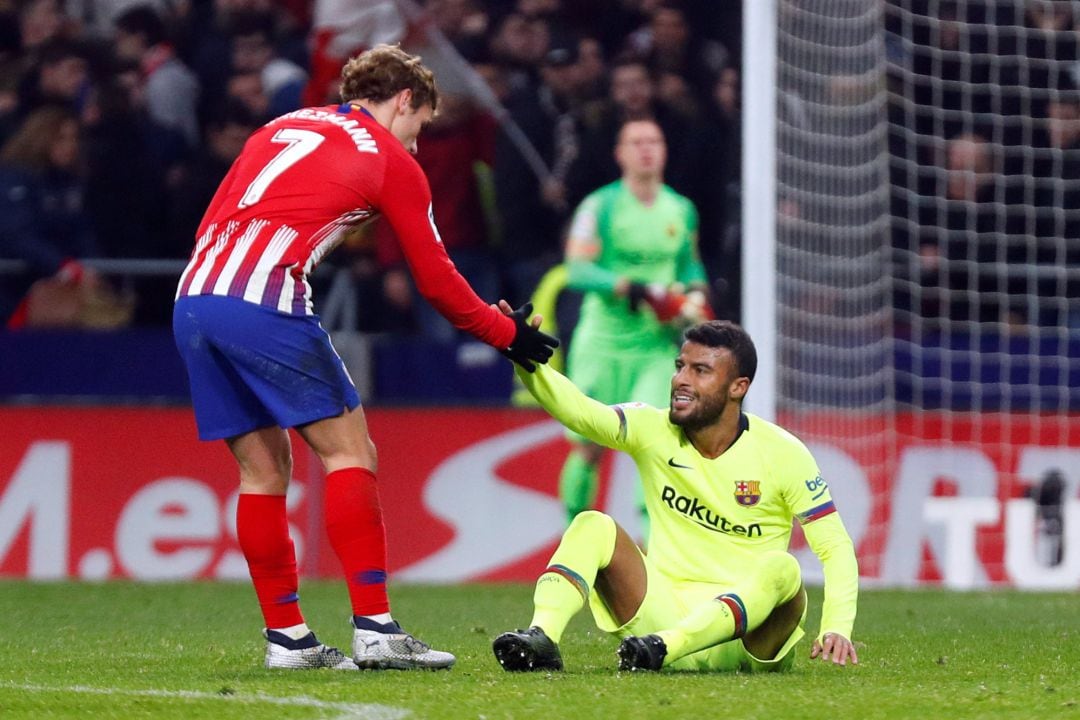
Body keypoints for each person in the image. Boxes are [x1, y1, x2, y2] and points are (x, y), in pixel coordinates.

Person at [172, 43, 557, 671]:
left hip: (193, 298)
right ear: (403, 99)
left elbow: (226, 215)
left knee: (262, 473)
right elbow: (435, 280)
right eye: (419, 125)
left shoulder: (282, 125)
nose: (416, 144)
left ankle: (288, 640)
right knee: (351, 451)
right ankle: (376, 627)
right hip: (263, 299)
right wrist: (505, 333)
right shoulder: (388, 160)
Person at [492, 319, 859, 673]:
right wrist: (526, 362)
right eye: (680, 366)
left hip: (746, 638)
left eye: (700, 371)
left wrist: (837, 625)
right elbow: (582, 414)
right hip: (659, 622)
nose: (681, 380)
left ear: (738, 387)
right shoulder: (653, 428)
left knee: (783, 569)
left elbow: (834, 546)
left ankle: (670, 646)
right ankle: (542, 637)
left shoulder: (782, 452)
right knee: (592, 524)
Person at [557, 117, 711, 530]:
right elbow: (577, 270)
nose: (646, 149)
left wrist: (695, 292)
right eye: (636, 142)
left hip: (655, 347)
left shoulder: (680, 209)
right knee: (589, 448)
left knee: (655, 445)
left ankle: (651, 550)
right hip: (603, 343)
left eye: (654, 141)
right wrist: (632, 287)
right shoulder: (600, 207)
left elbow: (690, 264)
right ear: (620, 153)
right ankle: (572, 539)